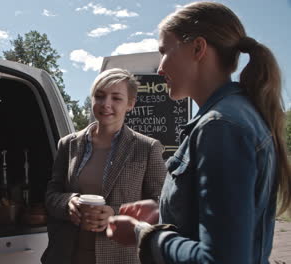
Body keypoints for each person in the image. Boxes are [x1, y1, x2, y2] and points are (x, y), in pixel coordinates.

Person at [106, 2, 291, 263]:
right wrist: (163, 212)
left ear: (198, 48)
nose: (160, 68)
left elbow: (220, 259)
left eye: (164, 51)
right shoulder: (232, 117)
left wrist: (142, 234)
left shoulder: (220, 127)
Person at [42, 68, 166, 264]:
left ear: (130, 104)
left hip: (120, 257)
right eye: (99, 96)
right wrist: (68, 203)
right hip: (67, 255)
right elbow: (51, 194)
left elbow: (160, 206)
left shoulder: (147, 148)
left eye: (116, 98)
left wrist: (115, 213)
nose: (106, 104)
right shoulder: (68, 144)